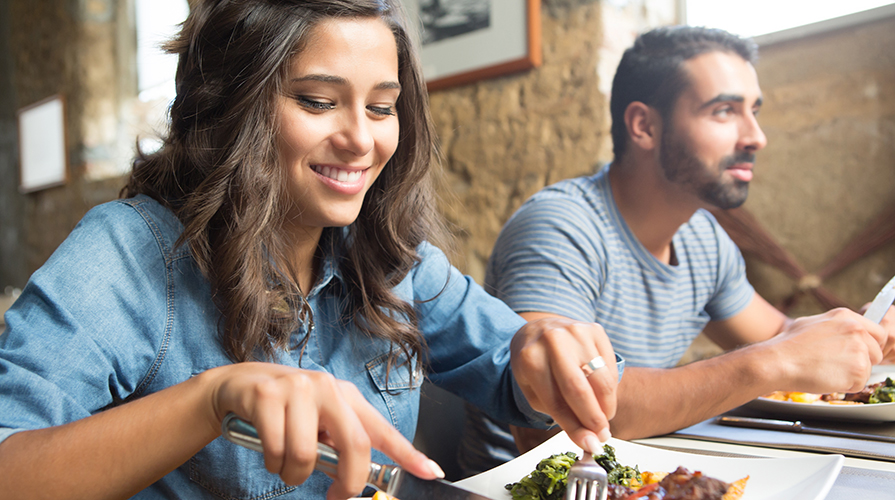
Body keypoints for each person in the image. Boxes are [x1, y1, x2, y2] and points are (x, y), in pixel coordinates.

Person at [0, 1, 621, 498]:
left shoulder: (393, 259)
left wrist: (543, 354)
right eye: (318, 102)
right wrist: (212, 400)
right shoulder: (127, 252)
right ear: (231, 104)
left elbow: (514, 371)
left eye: (382, 107)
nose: (360, 139)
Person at [457, 25, 895, 476]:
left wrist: (864, 336)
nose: (756, 137)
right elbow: (564, 408)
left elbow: (784, 338)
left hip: (641, 474)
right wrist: (778, 360)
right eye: (724, 111)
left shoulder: (702, 237)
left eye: (754, 111)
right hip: (525, 485)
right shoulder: (560, 227)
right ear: (644, 126)